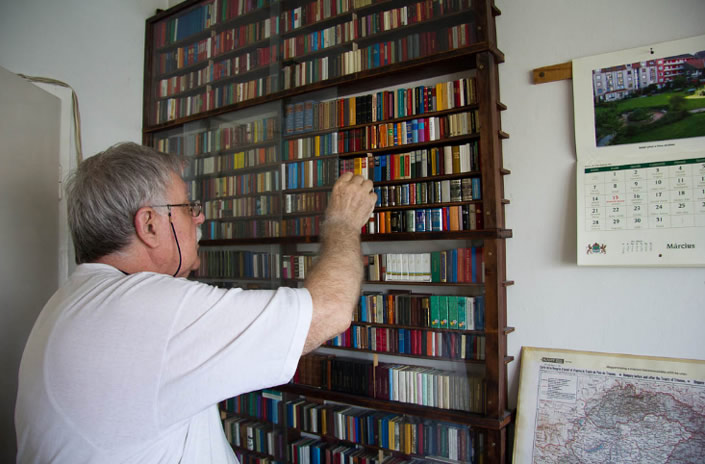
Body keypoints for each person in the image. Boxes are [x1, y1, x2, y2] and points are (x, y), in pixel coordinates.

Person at [15, 142, 377, 463]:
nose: (200, 217)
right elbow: (330, 309)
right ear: (150, 225)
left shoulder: (73, 300)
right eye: (188, 207)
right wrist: (343, 221)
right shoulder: (146, 308)